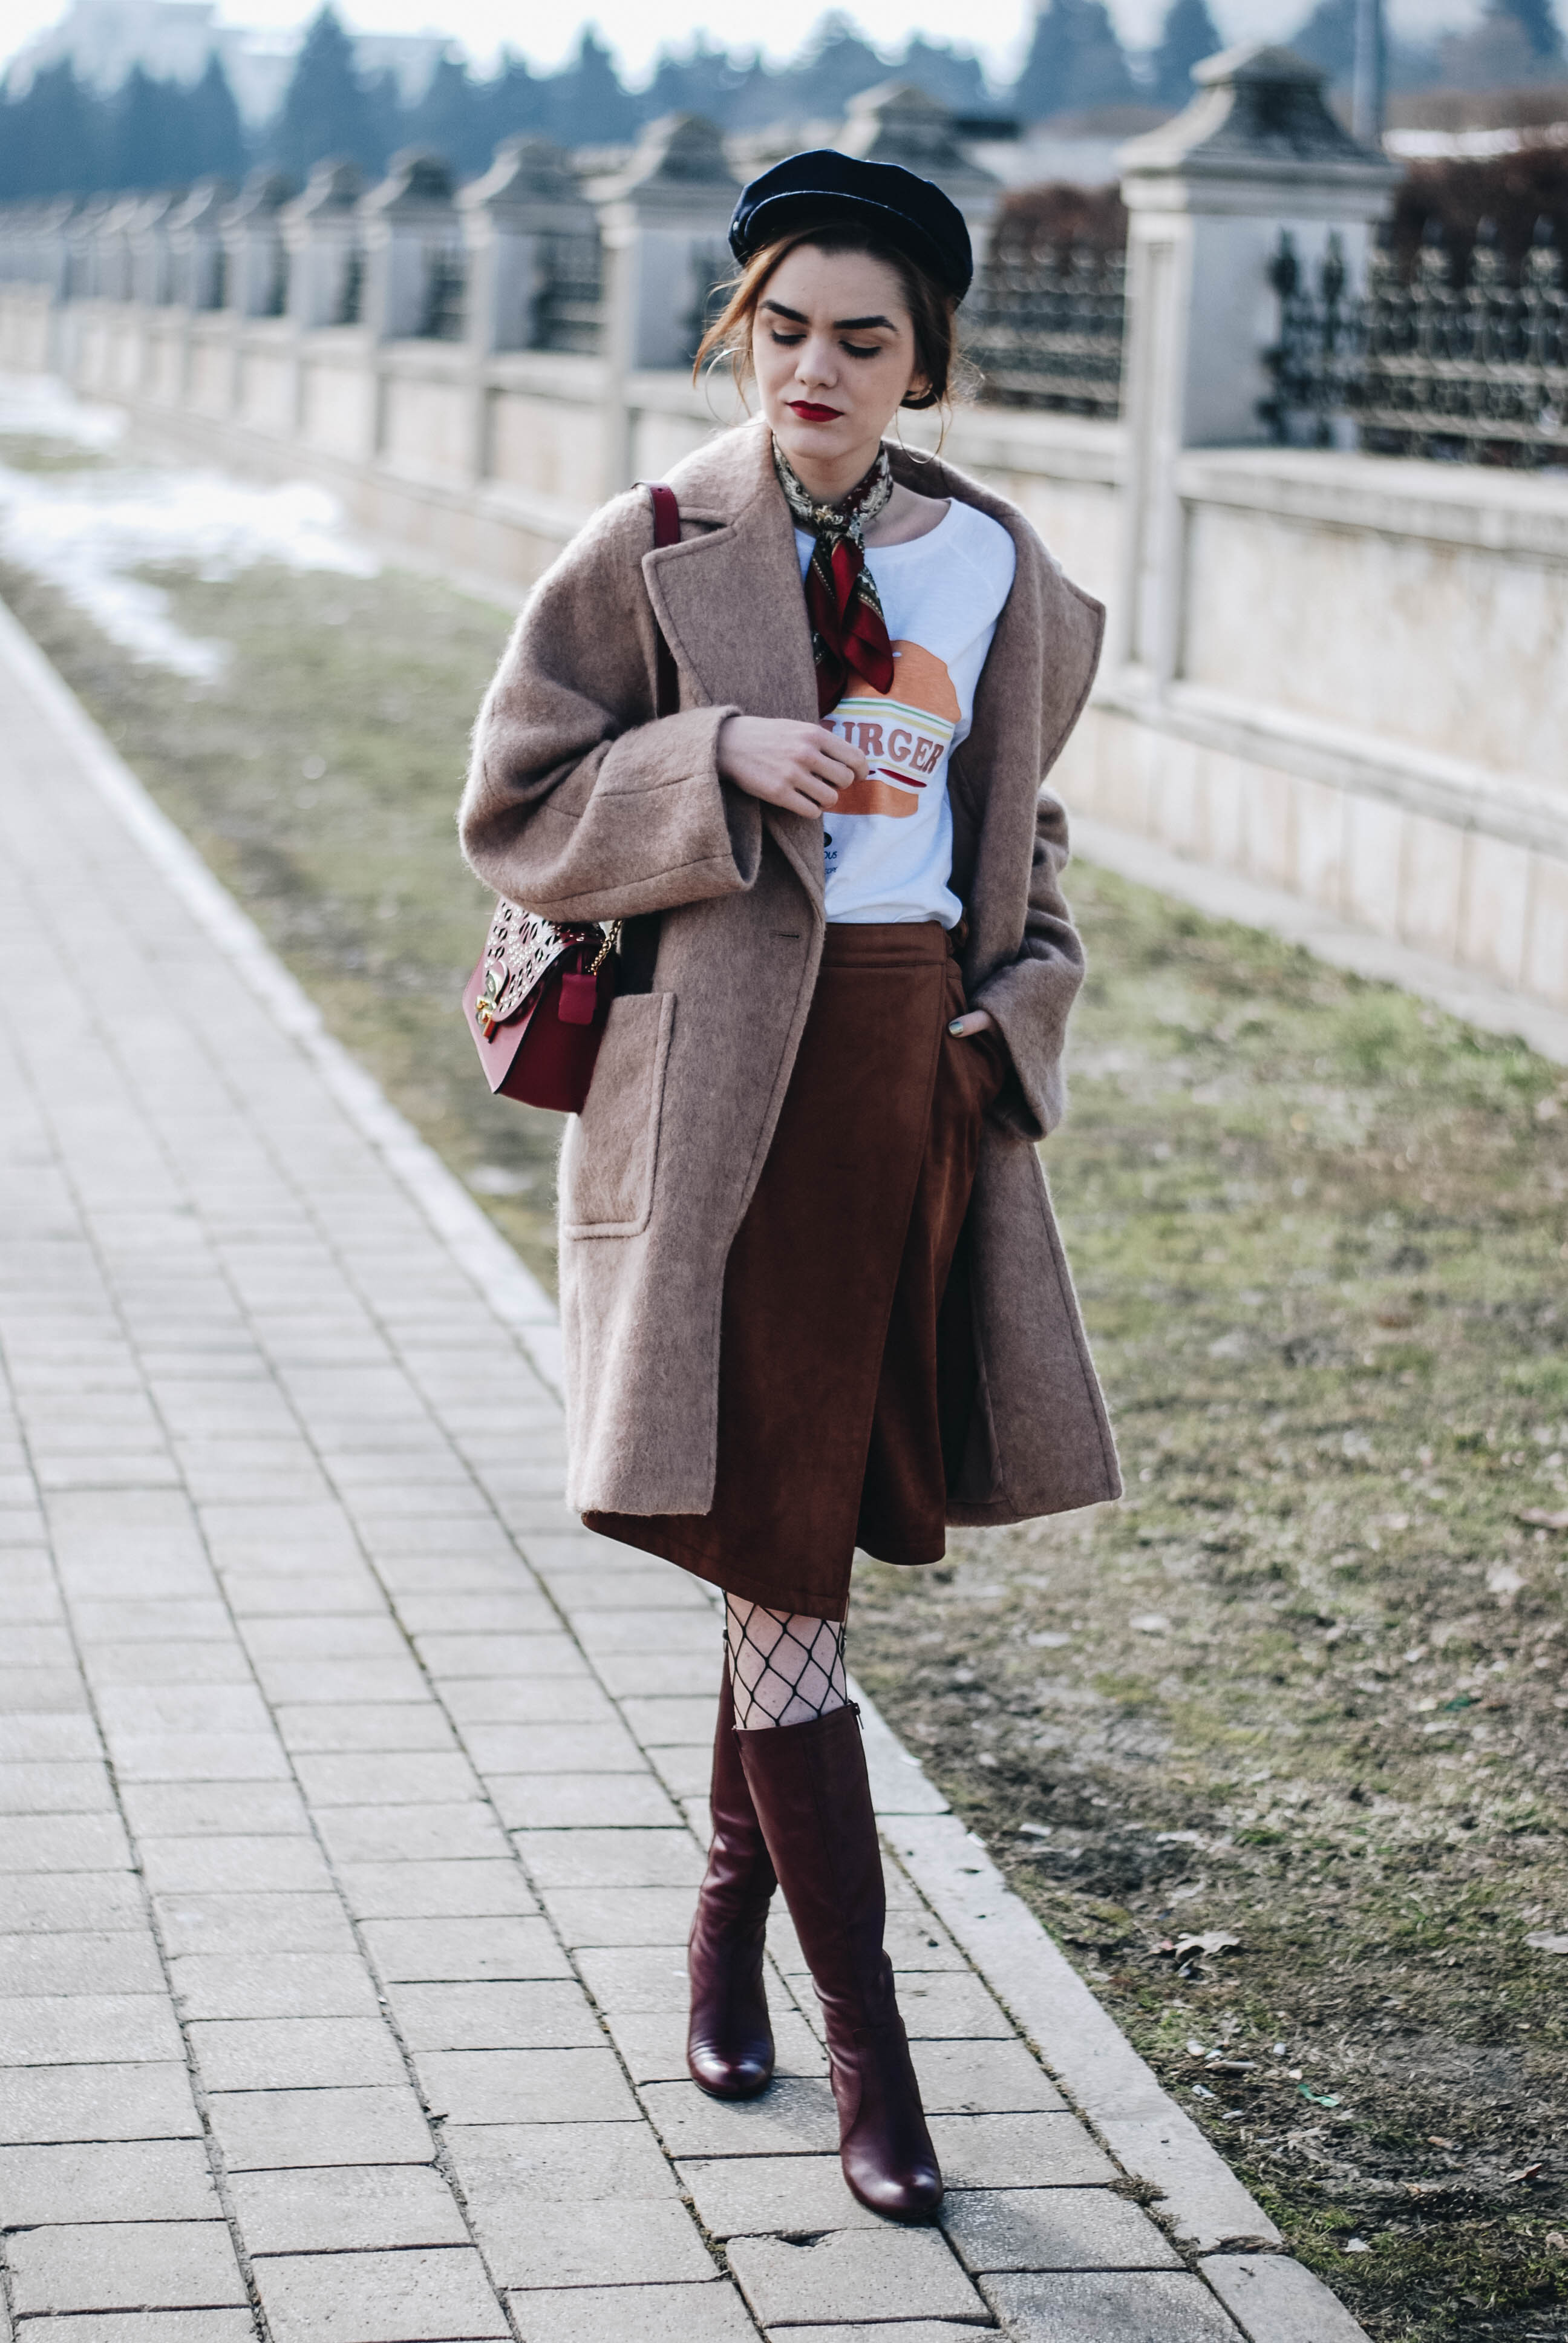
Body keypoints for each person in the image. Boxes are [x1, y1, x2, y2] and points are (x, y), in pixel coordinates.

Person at [459, 147, 1120, 2222]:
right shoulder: (648, 544)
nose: (813, 369)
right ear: (736, 331)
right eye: (783, 330)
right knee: (786, 1573)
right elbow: (512, 808)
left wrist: (1003, 1023)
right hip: (720, 1100)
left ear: (928, 368)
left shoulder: (992, 568)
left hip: (907, 1088)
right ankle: (878, 2065)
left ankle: (729, 1936)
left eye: (864, 339)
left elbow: (1039, 856)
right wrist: (714, 761)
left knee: (796, 1549)